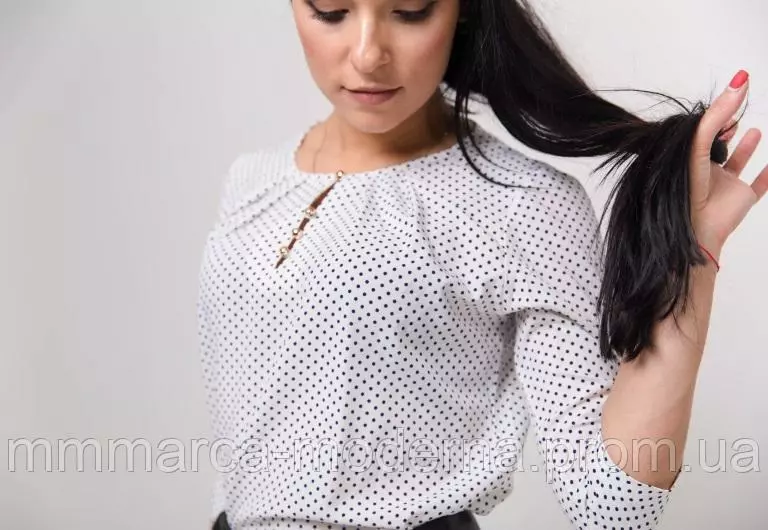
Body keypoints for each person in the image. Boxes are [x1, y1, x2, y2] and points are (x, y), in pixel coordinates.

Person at [196, 1, 767, 529]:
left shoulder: (521, 203)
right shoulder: (251, 179)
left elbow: (610, 503)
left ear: (463, 9)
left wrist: (690, 258)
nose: (368, 54)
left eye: (410, 10)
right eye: (331, 10)